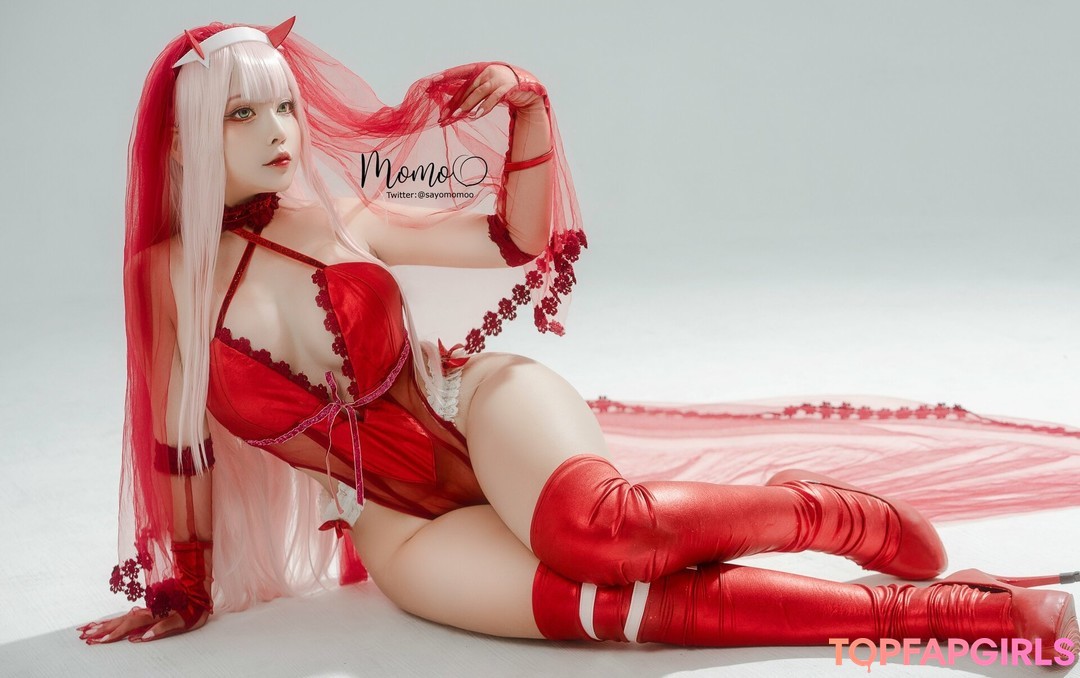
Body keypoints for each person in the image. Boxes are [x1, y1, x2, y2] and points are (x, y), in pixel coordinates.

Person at [78, 18, 1078, 663]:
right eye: (241, 112)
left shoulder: (341, 215)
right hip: (394, 522)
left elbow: (513, 240)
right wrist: (183, 586)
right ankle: (968, 617)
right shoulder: (165, 278)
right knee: (613, 612)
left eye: (286, 106)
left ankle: (829, 515)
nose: (279, 131)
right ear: (188, 138)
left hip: (478, 407)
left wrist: (528, 105)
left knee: (599, 533)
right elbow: (178, 442)